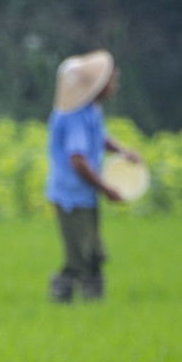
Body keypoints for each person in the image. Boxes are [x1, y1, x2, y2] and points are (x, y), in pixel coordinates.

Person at [45, 49, 141, 302]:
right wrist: (106, 189)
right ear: (96, 85)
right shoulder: (74, 116)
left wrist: (122, 151)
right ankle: (60, 301)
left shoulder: (90, 110)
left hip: (85, 195)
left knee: (95, 255)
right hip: (71, 197)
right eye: (111, 80)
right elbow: (78, 161)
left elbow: (99, 138)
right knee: (78, 258)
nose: (115, 85)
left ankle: (93, 307)